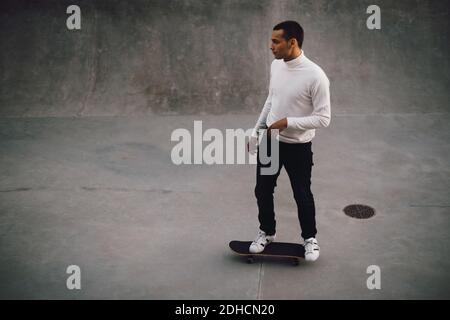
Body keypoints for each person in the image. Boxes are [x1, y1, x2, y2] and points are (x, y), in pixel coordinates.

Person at [246, 21, 331, 262]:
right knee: (262, 190)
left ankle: (310, 239)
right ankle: (267, 232)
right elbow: (271, 101)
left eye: (276, 41)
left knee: (302, 193)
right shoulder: (276, 66)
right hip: (271, 142)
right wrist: (256, 131)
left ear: (292, 42)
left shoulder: (316, 76)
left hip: (298, 147)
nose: (270, 46)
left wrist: (288, 122)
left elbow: (324, 118)